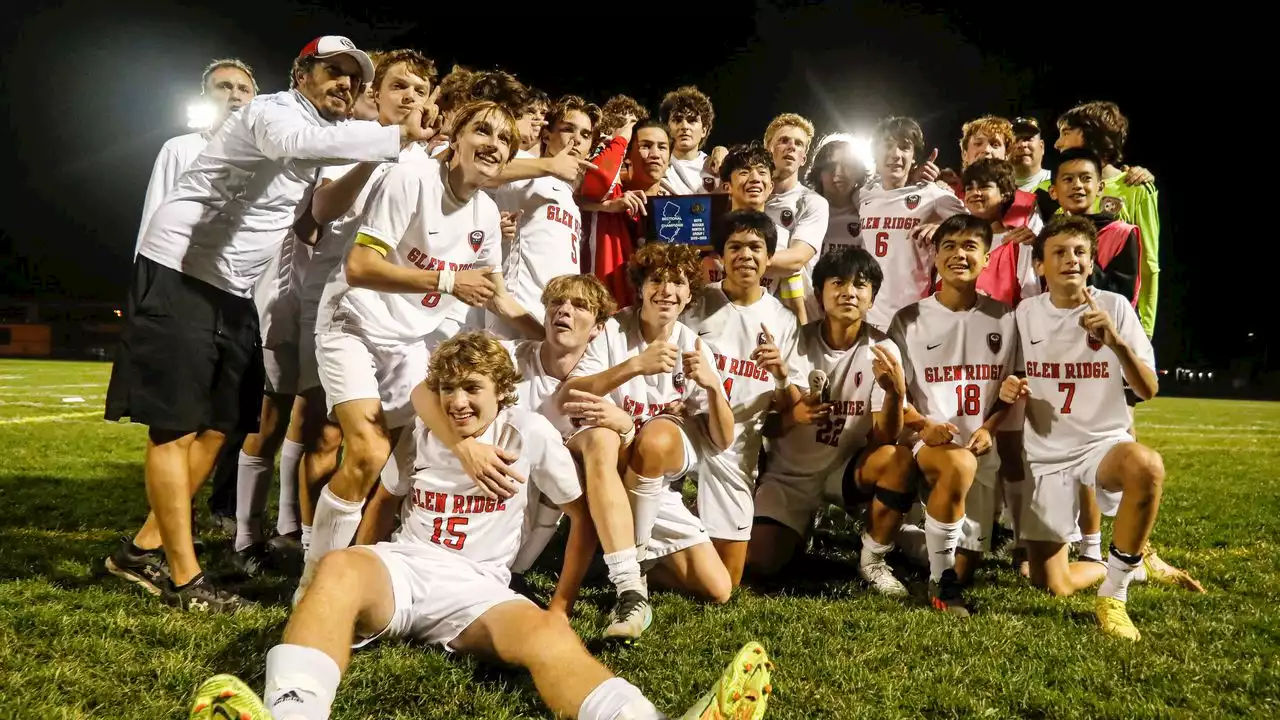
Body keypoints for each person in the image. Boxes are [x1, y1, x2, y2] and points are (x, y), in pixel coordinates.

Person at [186, 333, 774, 720]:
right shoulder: (426, 431)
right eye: (449, 389)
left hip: (479, 588)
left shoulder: (530, 436)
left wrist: (563, 602)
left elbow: (581, 517)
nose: (458, 402)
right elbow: (385, 503)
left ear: (502, 392)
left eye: (473, 389)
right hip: (407, 568)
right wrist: (352, 574)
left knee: (548, 636)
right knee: (338, 569)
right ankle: (289, 714)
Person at [104, 35, 430, 610]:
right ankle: (183, 577)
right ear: (301, 73)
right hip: (180, 268)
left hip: (231, 288)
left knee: (219, 424)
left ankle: (141, 549)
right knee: (173, 427)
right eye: (333, 72)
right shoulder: (271, 110)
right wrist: (396, 132)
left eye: (353, 78)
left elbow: (320, 191)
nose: (345, 85)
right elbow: (297, 144)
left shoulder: (328, 136)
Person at [302, 101, 538, 597]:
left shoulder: (486, 213)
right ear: (456, 137)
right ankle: (314, 583)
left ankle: (371, 561)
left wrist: (555, 333)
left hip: (411, 341)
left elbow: (495, 295)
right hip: (355, 323)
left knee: (399, 458)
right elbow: (360, 267)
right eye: (482, 131)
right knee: (367, 451)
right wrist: (449, 279)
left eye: (504, 139)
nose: (494, 144)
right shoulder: (411, 178)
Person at [288, 48, 438, 553]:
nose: (409, 97)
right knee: (329, 436)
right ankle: (311, 540)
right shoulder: (352, 141)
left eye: (419, 90)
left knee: (389, 445)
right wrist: (380, 150)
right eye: (400, 86)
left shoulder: (428, 161)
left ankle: (361, 545)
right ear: (377, 93)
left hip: (394, 318)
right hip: (339, 304)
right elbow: (322, 209)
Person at [998, 215, 1171, 640]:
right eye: (1059, 252)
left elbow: (1148, 389)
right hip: (1046, 456)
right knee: (1050, 583)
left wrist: (1118, 343)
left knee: (1146, 466)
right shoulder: (1025, 313)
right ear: (1039, 265)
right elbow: (1014, 372)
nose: (1071, 260)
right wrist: (1013, 384)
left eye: (1080, 252)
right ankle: (1108, 563)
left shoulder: (1113, 308)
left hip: (1101, 445)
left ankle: (1114, 594)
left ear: (1091, 263)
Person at [562, 243, 737, 637]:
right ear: (640, 287)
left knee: (718, 588)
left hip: (653, 482)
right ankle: (630, 581)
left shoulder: (694, 345)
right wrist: (634, 366)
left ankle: (627, 558)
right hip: (613, 464)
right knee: (656, 434)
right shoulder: (611, 331)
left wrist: (711, 387)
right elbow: (572, 392)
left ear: (690, 294)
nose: (667, 291)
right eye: (657, 280)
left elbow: (723, 440)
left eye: (677, 283)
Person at [747, 246, 916, 597]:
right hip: (789, 475)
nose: (849, 292)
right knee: (762, 564)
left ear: (872, 298)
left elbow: (884, 438)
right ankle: (797, 526)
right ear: (820, 292)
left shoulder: (883, 348)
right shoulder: (794, 342)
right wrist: (793, 416)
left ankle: (873, 561)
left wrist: (896, 395)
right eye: (837, 282)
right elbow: (765, 427)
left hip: (843, 470)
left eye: (860, 284)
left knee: (898, 459)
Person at [888, 214, 1019, 615]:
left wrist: (991, 427)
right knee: (951, 570)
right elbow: (896, 396)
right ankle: (941, 587)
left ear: (987, 259)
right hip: (927, 450)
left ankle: (910, 545)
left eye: (969, 247)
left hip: (980, 453)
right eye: (949, 246)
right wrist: (924, 426)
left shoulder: (1006, 318)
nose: (958, 255)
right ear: (935, 256)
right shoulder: (909, 319)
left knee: (968, 563)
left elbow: (1008, 390)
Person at [682, 210, 798, 586]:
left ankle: (688, 525)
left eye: (754, 247)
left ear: (768, 258)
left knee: (728, 578)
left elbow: (789, 408)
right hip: (690, 425)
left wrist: (781, 375)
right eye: (735, 247)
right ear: (719, 256)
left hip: (735, 445)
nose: (745, 255)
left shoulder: (783, 319)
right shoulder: (697, 304)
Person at [490, 95, 600, 338]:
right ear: (547, 134)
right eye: (568, 129)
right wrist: (549, 166)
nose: (577, 139)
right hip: (515, 311)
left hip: (555, 316)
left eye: (585, 134)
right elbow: (484, 170)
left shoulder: (570, 197)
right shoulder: (526, 164)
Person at [1053, 101, 1160, 337]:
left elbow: (1149, 265)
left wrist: (1145, 329)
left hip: (1118, 319)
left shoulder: (1135, 188)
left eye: (1066, 133)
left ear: (1091, 133)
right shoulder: (1060, 190)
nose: (1058, 143)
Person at [134, 58, 258, 257]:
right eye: (224, 87)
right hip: (180, 271)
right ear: (205, 98)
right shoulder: (180, 148)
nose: (235, 95)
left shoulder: (270, 157)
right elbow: (153, 216)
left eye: (244, 89)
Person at [857, 117, 967, 331]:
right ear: (874, 153)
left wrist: (946, 229)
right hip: (865, 318)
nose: (895, 154)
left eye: (904, 147)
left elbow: (976, 228)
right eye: (887, 145)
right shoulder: (862, 194)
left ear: (914, 156)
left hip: (914, 318)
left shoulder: (934, 195)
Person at [762, 113, 830, 324]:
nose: (791, 146)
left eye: (798, 143)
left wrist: (739, 261)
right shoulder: (749, 196)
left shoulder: (813, 202)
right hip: (753, 310)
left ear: (803, 158)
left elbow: (796, 259)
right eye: (783, 140)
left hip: (798, 318)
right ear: (768, 150)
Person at [660, 86, 718, 194]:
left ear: (704, 131)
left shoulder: (717, 166)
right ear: (666, 128)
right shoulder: (657, 165)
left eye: (692, 120)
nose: (684, 126)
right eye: (677, 120)